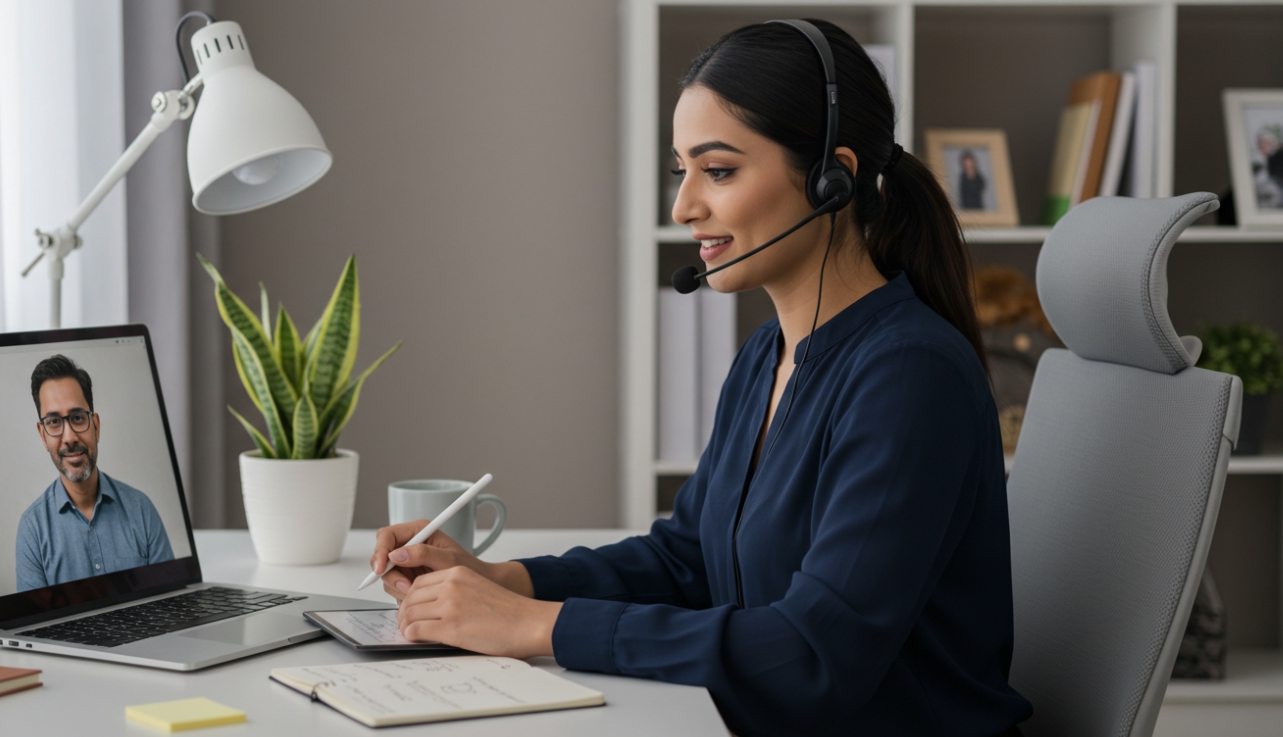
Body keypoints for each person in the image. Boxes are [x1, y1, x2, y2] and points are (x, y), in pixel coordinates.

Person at [369, 19, 1031, 736]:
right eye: (679, 169)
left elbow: (814, 654)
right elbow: (687, 558)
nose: (684, 206)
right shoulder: (765, 356)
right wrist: (511, 582)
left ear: (830, 179)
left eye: (717, 170)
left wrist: (540, 625)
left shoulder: (908, 376)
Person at [16, 355, 173, 591]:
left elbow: (169, 605)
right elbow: (35, 626)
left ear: (96, 426)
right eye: (54, 422)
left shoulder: (141, 510)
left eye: (78, 418)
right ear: (42, 435)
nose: (69, 437)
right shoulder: (32, 530)